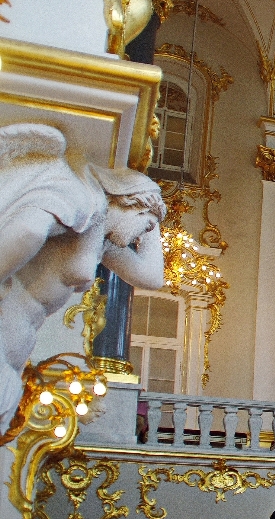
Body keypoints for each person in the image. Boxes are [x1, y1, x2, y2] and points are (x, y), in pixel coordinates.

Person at [0, 123, 166, 434]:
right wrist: (148, 203)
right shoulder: (82, 200)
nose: (137, 238)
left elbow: (152, 277)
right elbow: (29, 229)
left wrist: (153, 214)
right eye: (143, 228)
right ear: (128, 202)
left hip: (17, 342)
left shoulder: (102, 239)